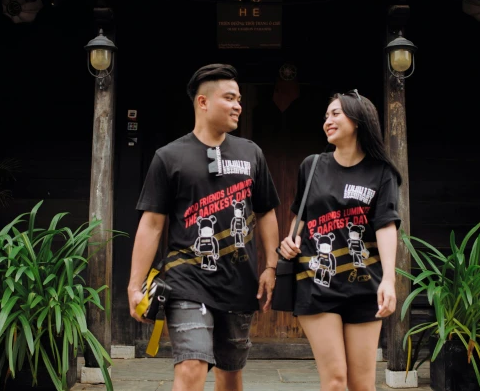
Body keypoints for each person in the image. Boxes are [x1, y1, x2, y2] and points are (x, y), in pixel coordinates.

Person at [128, 64, 281, 391]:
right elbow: (152, 224)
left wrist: (270, 267)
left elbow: (266, 211)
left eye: (239, 98)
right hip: (186, 279)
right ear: (202, 102)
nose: (238, 105)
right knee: (192, 366)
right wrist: (134, 284)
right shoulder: (169, 157)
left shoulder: (250, 153)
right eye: (230, 97)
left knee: (229, 376)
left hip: (239, 282)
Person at [279, 89, 401, 391]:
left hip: (364, 286)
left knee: (361, 384)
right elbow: (301, 216)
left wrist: (388, 279)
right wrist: (289, 240)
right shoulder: (313, 165)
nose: (327, 121)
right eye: (326, 116)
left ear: (358, 120)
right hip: (317, 282)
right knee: (335, 382)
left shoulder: (381, 172)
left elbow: (386, 225)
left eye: (335, 114)